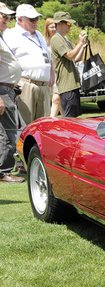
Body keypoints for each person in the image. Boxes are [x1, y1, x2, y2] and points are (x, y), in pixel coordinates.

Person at [4, 4, 53, 125]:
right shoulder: (10, 35)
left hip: (44, 87)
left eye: (37, 18)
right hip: (25, 85)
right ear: (20, 19)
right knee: (25, 127)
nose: (35, 21)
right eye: (32, 19)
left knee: (43, 127)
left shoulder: (39, 35)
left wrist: (52, 73)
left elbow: (48, 56)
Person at [0, 2, 24, 183]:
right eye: (4, 16)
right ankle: (4, 170)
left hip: (7, 89)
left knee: (7, 130)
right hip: (2, 90)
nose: (7, 20)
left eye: (8, 17)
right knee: (7, 131)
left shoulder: (2, 36)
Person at [50, 11, 87, 118]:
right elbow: (70, 55)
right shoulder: (56, 39)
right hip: (67, 86)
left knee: (74, 119)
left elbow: (76, 58)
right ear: (60, 23)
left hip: (72, 85)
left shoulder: (64, 39)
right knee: (69, 120)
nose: (70, 26)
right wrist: (79, 43)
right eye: (68, 23)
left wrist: (83, 46)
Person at [43, 18, 61, 117]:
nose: (54, 28)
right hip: (48, 73)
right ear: (47, 28)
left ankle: (51, 119)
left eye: (55, 26)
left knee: (56, 99)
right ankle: (69, 119)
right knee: (58, 100)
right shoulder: (43, 41)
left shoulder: (61, 39)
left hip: (58, 73)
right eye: (51, 27)